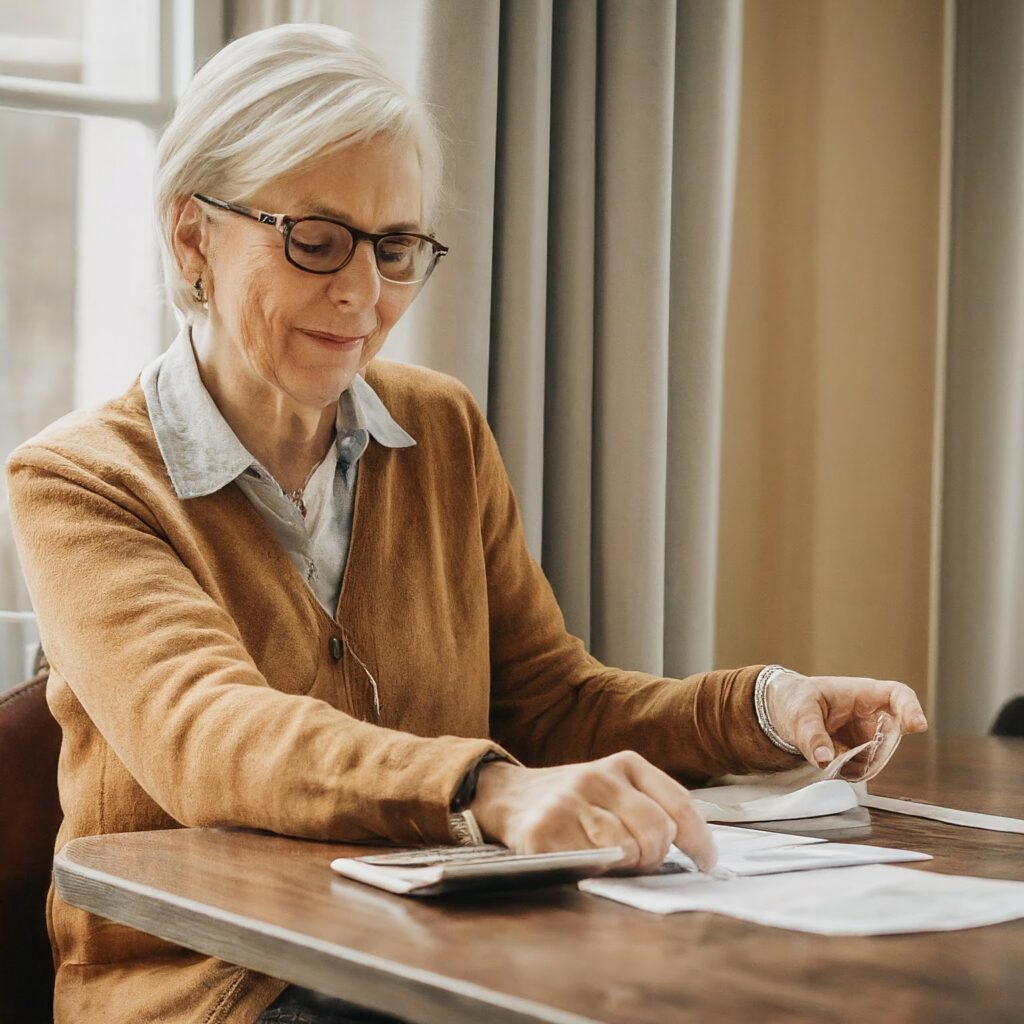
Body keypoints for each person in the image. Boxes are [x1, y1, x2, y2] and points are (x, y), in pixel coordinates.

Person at [4, 22, 928, 1024]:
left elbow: (550, 699)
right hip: (219, 992)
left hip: (445, 958)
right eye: (315, 241)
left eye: (395, 247)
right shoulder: (78, 479)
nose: (363, 293)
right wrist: (486, 788)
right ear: (193, 235)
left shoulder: (438, 430)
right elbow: (210, 735)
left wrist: (760, 708)